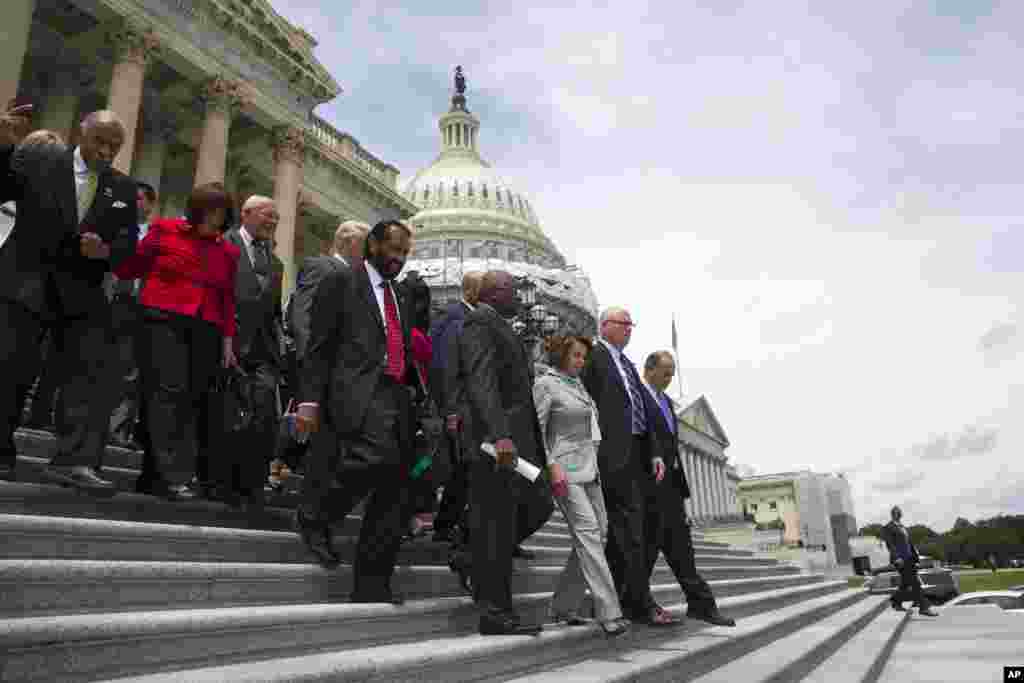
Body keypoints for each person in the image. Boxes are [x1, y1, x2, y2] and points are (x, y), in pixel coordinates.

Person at [0, 110, 139, 491]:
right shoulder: (40, 161)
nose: (107, 152)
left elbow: (128, 247)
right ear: (83, 132)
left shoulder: (123, 189)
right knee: (11, 369)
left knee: (88, 378)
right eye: (101, 142)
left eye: (115, 146)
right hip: (26, 281)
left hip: (82, 292)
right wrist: (2, 144)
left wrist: (107, 251)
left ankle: (73, 461)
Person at [293, 219, 417, 605]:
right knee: (371, 461)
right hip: (354, 394)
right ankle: (317, 515)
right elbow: (319, 345)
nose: (398, 259)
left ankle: (372, 585)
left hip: (396, 395)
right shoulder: (342, 280)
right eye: (393, 250)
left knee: (396, 492)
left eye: (404, 253)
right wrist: (309, 401)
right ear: (373, 244)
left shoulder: (401, 295)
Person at [114, 182, 239, 501]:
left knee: (187, 400)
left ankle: (153, 476)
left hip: (206, 329)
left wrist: (227, 340)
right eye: (211, 210)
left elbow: (227, 299)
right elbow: (132, 267)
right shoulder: (165, 230)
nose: (216, 217)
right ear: (197, 209)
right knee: (167, 393)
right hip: (162, 320)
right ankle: (171, 477)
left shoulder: (227, 251)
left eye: (222, 211)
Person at [457, 270, 554, 636]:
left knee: (537, 504)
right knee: (497, 525)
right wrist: (499, 435)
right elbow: (482, 381)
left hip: (516, 441)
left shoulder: (500, 325)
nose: (519, 298)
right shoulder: (480, 321)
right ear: (497, 293)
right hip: (496, 443)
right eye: (514, 291)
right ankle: (496, 613)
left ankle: (469, 551)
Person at [581, 307, 677, 626]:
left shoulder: (627, 365)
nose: (629, 330)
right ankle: (637, 603)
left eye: (631, 325)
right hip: (610, 455)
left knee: (634, 532)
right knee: (630, 531)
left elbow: (642, 409)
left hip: (637, 455)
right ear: (605, 326)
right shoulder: (594, 358)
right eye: (624, 324)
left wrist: (654, 452)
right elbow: (584, 403)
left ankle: (618, 599)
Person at [534, 335, 630, 637]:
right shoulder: (545, 385)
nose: (581, 361)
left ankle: (564, 606)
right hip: (565, 471)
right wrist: (551, 465)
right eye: (576, 355)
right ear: (562, 355)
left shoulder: (579, 386)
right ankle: (609, 611)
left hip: (590, 469)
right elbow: (535, 431)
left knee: (598, 535)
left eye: (583, 356)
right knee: (588, 532)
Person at [642, 351, 735, 626]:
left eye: (672, 372)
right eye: (666, 371)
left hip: (670, 487)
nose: (670, 378)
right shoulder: (638, 396)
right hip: (647, 486)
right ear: (649, 369)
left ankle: (701, 604)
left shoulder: (666, 403)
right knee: (645, 551)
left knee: (682, 549)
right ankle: (634, 600)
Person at [278, 220, 369, 480]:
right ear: (351, 243)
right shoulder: (322, 266)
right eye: (366, 245)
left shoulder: (357, 277)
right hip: (319, 364)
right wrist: (312, 362)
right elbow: (302, 314)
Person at [221, 195, 285, 509]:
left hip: (262, 354)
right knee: (226, 418)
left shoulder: (276, 262)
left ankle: (253, 485)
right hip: (225, 344)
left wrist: (280, 349)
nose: (273, 221)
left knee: (263, 419)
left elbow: (274, 312)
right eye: (267, 215)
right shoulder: (225, 244)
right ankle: (223, 482)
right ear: (246, 214)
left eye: (276, 218)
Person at [429, 271, 483, 544]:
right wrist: (451, 410)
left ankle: (451, 525)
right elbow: (448, 367)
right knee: (462, 469)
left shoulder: (469, 317)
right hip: (460, 408)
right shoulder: (457, 319)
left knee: (466, 470)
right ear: (473, 292)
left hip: (473, 409)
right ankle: (444, 525)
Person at [107, 181, 159, 451]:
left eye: (140, 199)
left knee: (130, 373)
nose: (134, 203)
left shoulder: (155, 235)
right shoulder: (113, 226)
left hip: (140, 307)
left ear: (150, 205)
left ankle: (117, 429)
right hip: (109, 301)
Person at [880, 506, 937, 616]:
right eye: (897, 513)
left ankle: (896, 601)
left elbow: (908, 543)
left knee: (906, 583)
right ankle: (924, 607)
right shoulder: (888, 527)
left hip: (909, 559)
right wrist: (896, 557)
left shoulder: (902, 527)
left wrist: (915, 555)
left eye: (900, 512)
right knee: (915, 582)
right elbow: (890, 544)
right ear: (893, 514)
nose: (899, 514)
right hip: (900, 560)